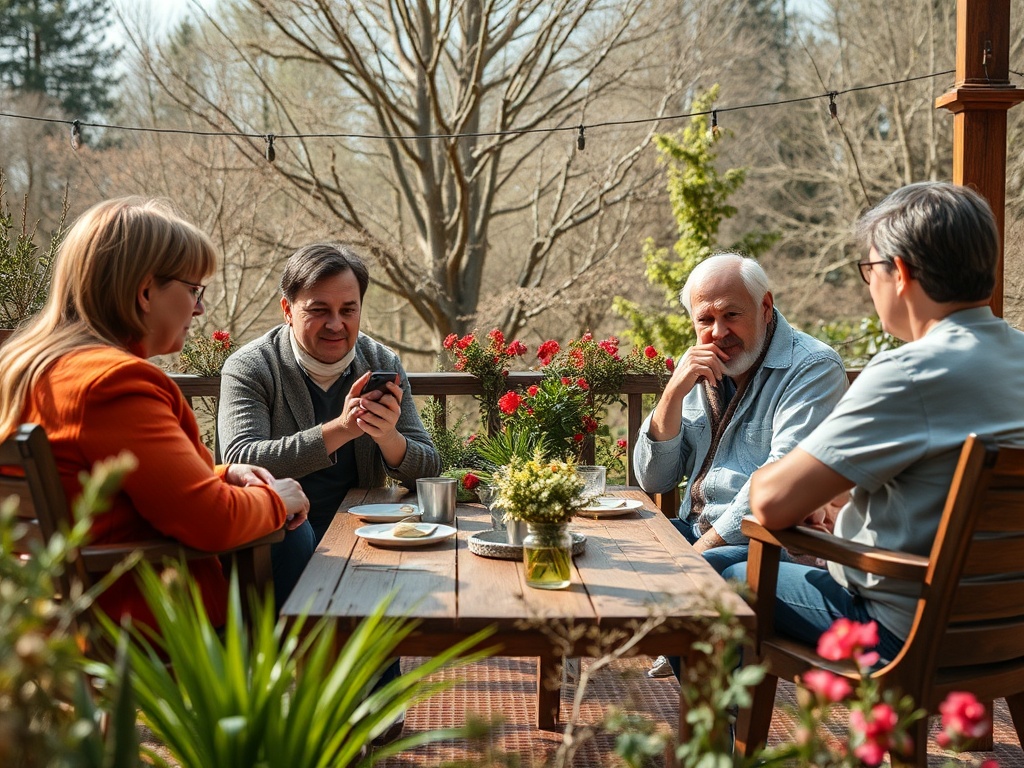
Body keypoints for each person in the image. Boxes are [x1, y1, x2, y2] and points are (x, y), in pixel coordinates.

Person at [729, 181, 1024, 663]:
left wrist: (811, 501)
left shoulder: (910, 372)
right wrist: (836, 499)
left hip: (907, 631)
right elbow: (943, 487)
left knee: (715, 580)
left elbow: (769, 501)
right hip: (1008, 626)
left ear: (900, 273)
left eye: (870, 270)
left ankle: (722, 741)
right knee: (727, 561)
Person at [0, 198, 311, 630]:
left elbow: (116, 486)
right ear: (146, 292)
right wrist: (277, 500)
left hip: (49, 619)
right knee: (300, 544)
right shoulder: (113, 383)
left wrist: (224, 475)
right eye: (192, 291)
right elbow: (213, 522)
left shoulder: (25, 368)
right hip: (144, 628)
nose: (199, 309)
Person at [632, 252, 848, 678]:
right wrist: (673, 393)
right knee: (625, 547)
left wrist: (697, 552)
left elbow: (781, 481)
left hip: (773, 541)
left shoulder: (813, 368)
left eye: (732, 314)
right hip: (698, 530)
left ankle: (719, 733)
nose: (718, 332)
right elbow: (653, 478)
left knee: (701, 576)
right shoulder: (699, 366)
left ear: (765, 307)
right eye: (705, 320)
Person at [218, 243, 441, 544]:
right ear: (287, 310)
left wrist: (388, 437)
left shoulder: (381, 362)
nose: (336, 324)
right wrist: (341, 429)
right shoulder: (251, 366)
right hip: (280, 539)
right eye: (319, 310)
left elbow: (429, 468)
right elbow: (242, 458)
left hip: (365, 534)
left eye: (348, 310)